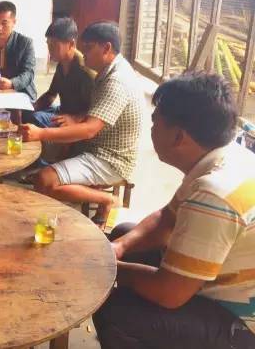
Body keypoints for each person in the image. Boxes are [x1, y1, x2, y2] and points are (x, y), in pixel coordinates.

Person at [93, 74, 255, 349]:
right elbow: (166, 218)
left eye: (155, 122)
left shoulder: (213, 193)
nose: (151, 129)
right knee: (123, 234)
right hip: (223, 279)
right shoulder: (225, 157)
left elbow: (169, 293)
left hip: (241, 323)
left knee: (116, 312)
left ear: (179, 136)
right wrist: (118, 248)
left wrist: (106, 269)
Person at [19, 21, 143, 226]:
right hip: (97, 146)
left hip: (110, 158)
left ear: (106, 48)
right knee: (44, 140)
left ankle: (108, 200)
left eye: (88, 48)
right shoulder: (109, 71)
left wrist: (41, 133)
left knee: (44, 180)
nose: (83, 54)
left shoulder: (116, 81)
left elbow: (89, 129)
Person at [24, 17, 95, 128]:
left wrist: (75, 119)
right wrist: (33, 107)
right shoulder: (62, 63)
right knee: (26, 113)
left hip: (74, 119)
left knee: (35, 118)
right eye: (48, 44)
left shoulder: (85, 71)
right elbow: (51, 94)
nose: (50, 49)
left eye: (54, 45)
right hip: (62, 110)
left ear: (71, 44)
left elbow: (94, 109)